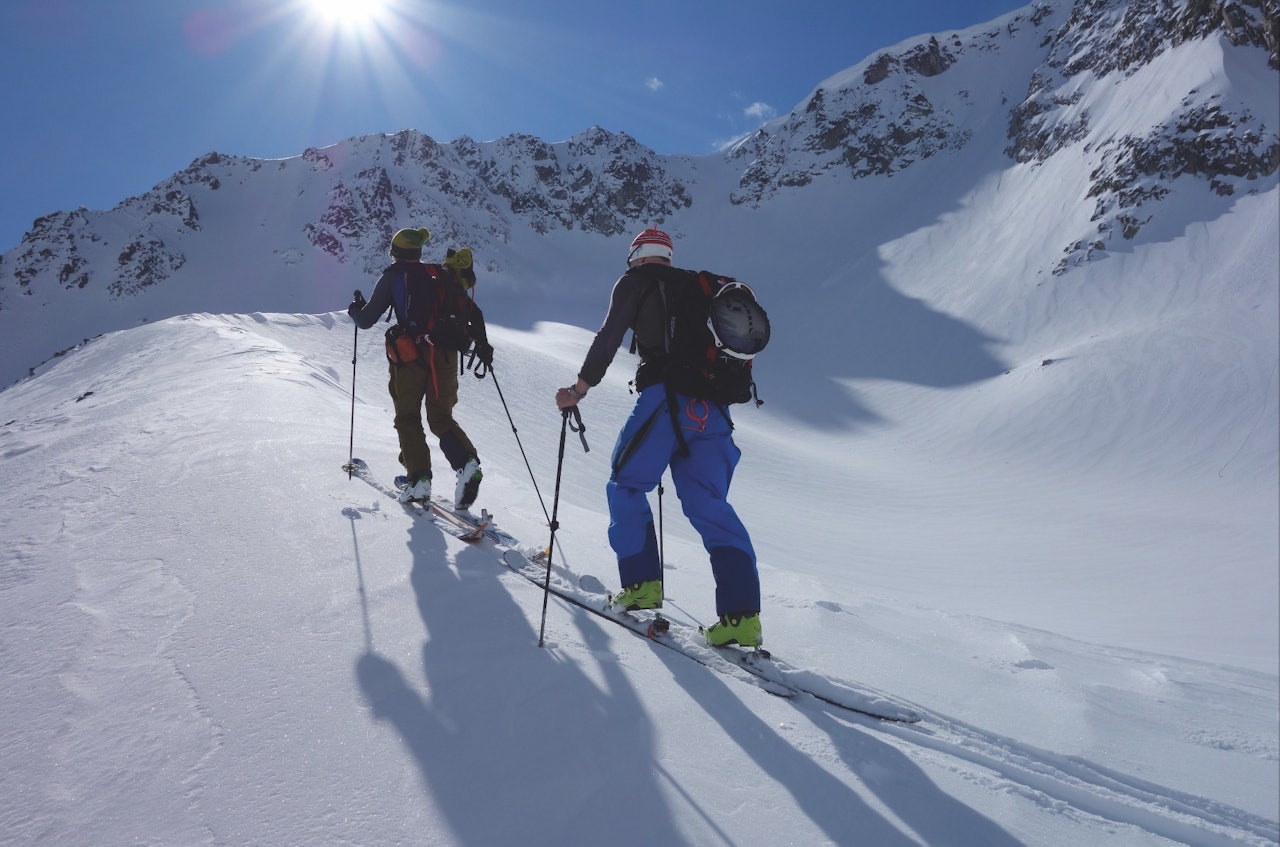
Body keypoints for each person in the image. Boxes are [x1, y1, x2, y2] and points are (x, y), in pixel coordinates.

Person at [555, 228, 762, 648]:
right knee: (711, 506)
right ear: (668, 255)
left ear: (635, 255)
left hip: (666, 402)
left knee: (626, 484)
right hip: (714, 412)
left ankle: (641, 585)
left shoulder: (635, 281)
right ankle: (742, 618)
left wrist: (577, 390)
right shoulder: (703, 287)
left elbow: (609, 338)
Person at [348, 227, 493, 509]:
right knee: (440, 418)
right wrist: (483, 344)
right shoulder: (437, 274)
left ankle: (419, 480)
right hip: (446, 356)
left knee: (408, 418)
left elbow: (365, 321)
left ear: (395, 252)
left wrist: (355, 309)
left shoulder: (393, 276)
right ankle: (467, 464)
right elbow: (472, 311)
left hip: (411, 356)